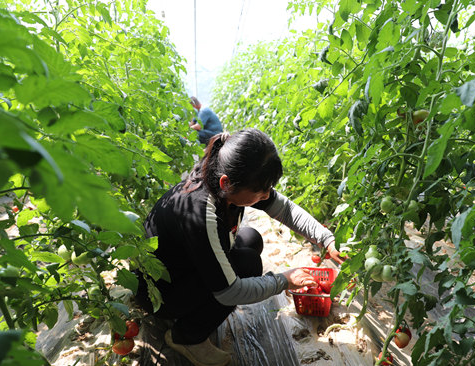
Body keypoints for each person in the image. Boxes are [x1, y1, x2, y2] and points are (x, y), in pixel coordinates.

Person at [135, 128, 346, 366]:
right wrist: (283, 281)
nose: (266, 196)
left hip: (183, 266)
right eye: (260, 191)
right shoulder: (200, 212)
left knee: (251, 238)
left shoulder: (220, 178)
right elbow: (230, 292)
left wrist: (326, 239)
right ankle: (186, 336)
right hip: (161, 295)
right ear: (227, 183)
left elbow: (285, 209)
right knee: (248, 265)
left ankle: (196, 313)